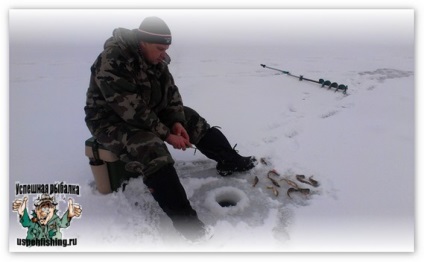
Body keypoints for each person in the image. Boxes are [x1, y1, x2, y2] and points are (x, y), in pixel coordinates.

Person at [84, 16, 256, 240]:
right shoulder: (112, 60)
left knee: (190, 118)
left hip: (146, 111)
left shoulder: (156, 59)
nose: (163, 54)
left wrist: (176, 121)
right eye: (159, 48)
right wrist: (166, 134)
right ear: (142, 42)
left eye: (166, 48)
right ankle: (188, 225)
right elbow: (131, 111)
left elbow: (171, 93)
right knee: (151, 147)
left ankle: (230, 161)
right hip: (110, 121)